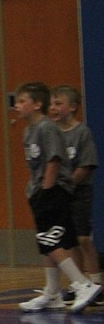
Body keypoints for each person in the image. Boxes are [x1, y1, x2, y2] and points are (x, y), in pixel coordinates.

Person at [15, 82, 102, 313]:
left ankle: (83, 284)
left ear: (37, 104)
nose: (17, 106)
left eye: (22, 101)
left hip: (53, 191)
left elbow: (53, 161)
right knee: (46, 242)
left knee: (52, 241)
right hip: (39, 191)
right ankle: (52, 292)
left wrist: (46, 191)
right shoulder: (28, 131)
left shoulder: (47, 128)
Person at [49, 84, 101, 305]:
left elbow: (87, 164)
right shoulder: (51, 133)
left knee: (83, 239)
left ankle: (97, 282)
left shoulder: (82, 133)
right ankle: (80, 284)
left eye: (58, 104)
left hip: (78, 192)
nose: (53, 108)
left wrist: (69, 182)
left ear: (71, 108)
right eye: (51, 103)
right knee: (69, 241)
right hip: (60, 194)